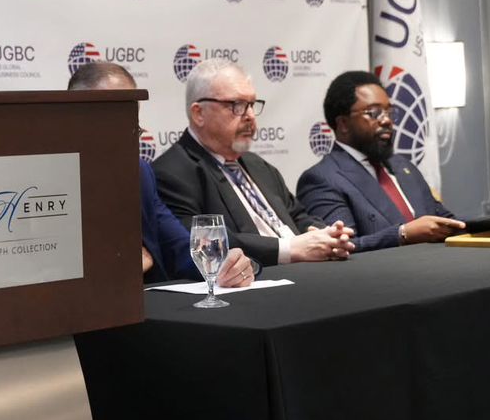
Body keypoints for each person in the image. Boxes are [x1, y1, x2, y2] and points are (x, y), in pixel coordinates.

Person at [67, 60, 255, 288]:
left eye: (131, 127)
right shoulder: (52, 181)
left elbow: (180, 247)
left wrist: (227, 265)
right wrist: (121, 265)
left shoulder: (139, 173)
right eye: (108, 125)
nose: (122, 140)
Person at [151, 59, 355, 268]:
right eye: (236, 106)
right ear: (199, 113)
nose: (249, 116)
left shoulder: (257, 164)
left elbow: (296, 215)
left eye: (251, 105)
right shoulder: (171, 173)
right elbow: (204, 243)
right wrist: (289, 249)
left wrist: (325, 235)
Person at [296, 71, 478, 250]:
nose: (387, 120)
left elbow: (446, 220)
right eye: (374, 113)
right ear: (343, 123)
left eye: (389, 112)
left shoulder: (403, 166)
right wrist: (402, 234)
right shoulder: (321, 179)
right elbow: (340, 247)